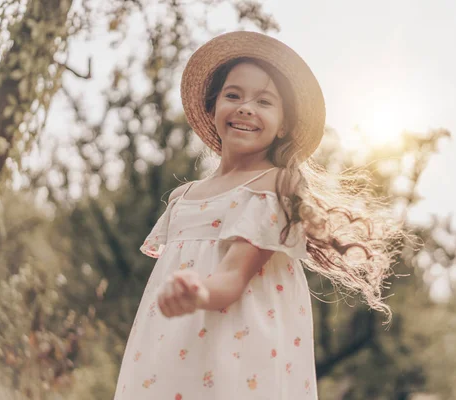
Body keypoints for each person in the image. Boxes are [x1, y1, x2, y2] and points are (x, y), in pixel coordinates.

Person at [114, 31, 401, 400]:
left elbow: (232, 278)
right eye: (233, 95)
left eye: (264, 101)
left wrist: (197, 291)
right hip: (169, 349)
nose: (246, 107)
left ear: (283, 124)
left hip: (237, 354)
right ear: (212, 106)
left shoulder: (274, 186)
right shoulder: (183, 198)